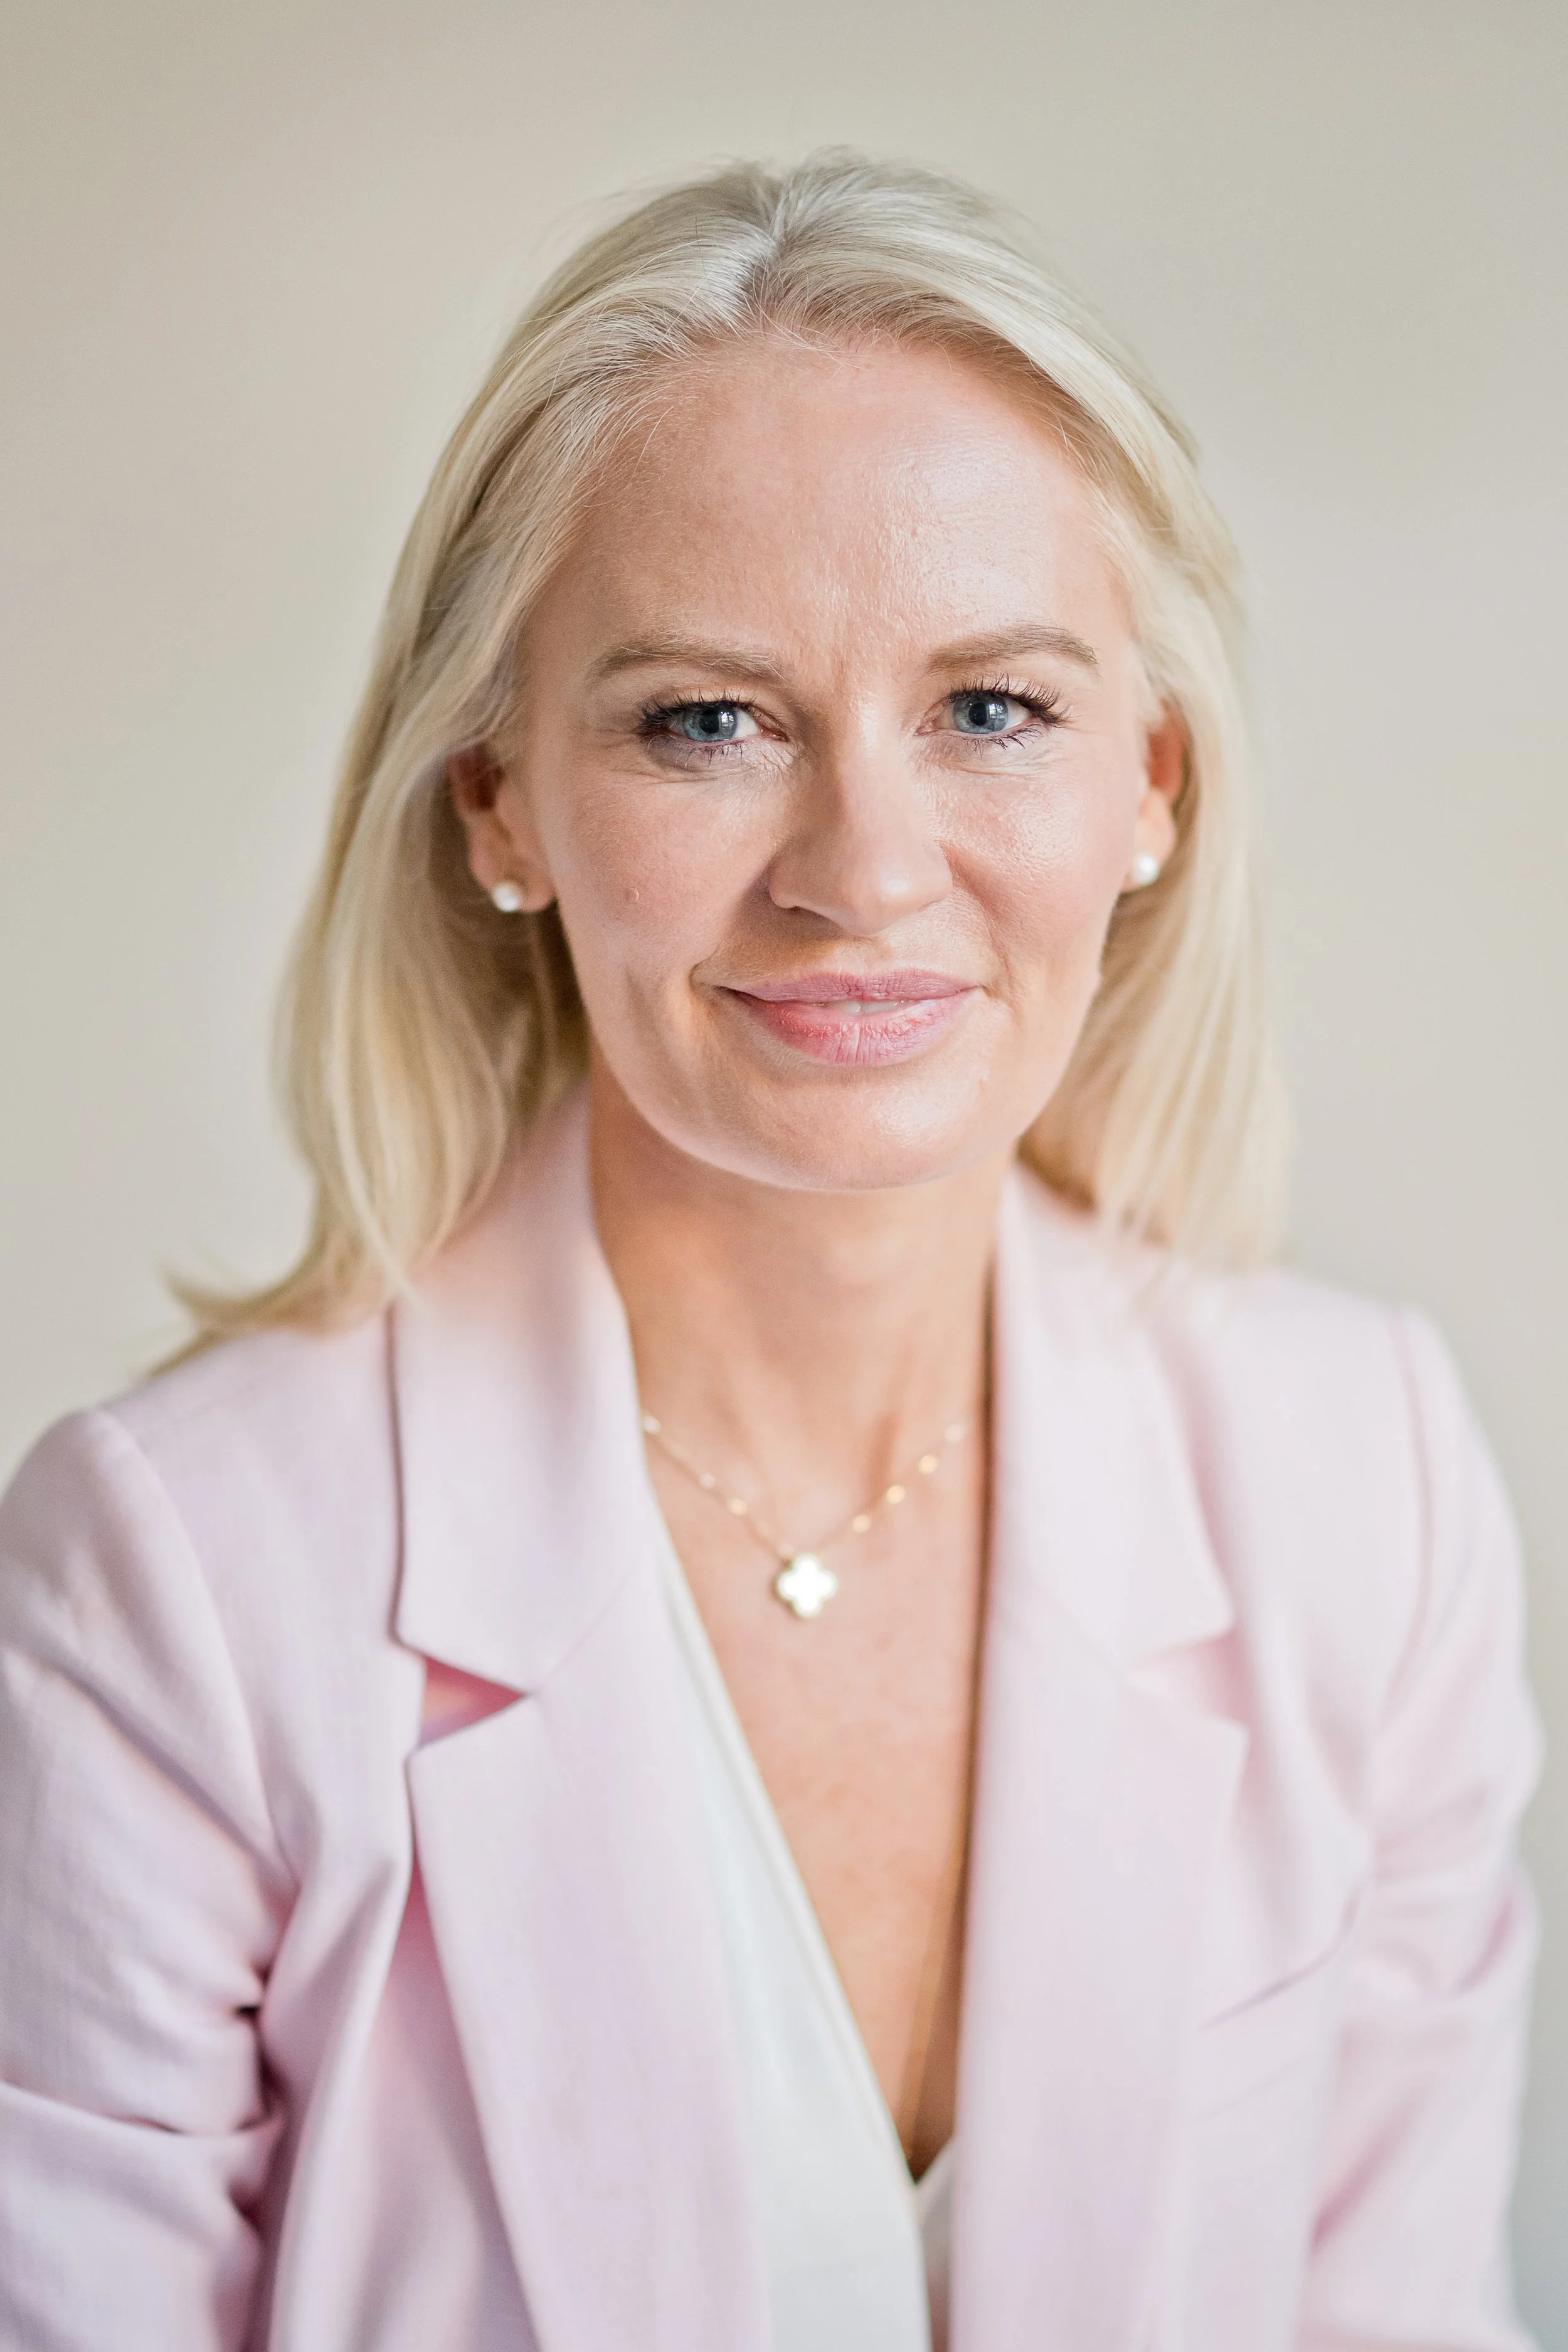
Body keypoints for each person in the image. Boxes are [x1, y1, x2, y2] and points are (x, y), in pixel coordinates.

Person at [0, 152, 1540, 2352]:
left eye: (991, 708)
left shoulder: (1358, 1478)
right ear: (500, 801)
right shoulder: (176, 1581)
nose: (866, 870)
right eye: (703, 720)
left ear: (1151, 788)